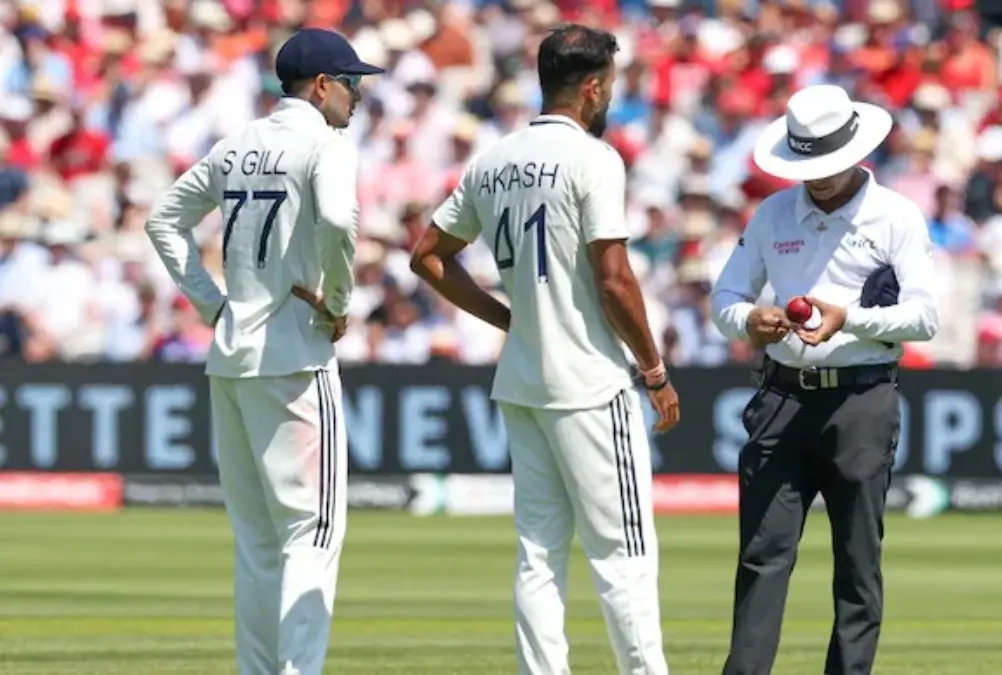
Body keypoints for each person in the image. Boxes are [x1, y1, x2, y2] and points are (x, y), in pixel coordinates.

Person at [409, 24, 679, 675]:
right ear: (591, 87)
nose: (609, 95)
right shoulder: (595, 158)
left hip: (524, 381)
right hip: (589, 381)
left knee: (538, 552)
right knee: (625, 556)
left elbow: (427, 258)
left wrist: (508, 318)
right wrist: (654, 369)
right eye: (609, 84)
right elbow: (614, 277)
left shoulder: (493, 158)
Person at [144, 28, 384, 675]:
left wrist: (211, 305)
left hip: (231, 354)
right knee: (314, 531)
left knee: (257, 541)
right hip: (297, 357)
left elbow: (162, 220)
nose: (359, 97)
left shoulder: (236, 144)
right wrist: (338, 300)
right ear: (323, 86)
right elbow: (337, 221)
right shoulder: (326, 145)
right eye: (353, 84)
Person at [709, 84, 939, 675]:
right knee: (763, 554)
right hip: (782, 395)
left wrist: (848, 317)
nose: (820, 177)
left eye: (830, 165)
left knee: (857, 559)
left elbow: (925, 316)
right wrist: (750, 322)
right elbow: (727, 298)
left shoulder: (895, 215)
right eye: (810, 164)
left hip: (862, 398)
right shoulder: (773, 212)